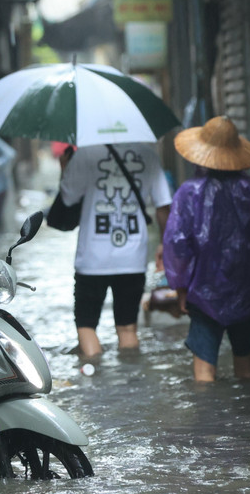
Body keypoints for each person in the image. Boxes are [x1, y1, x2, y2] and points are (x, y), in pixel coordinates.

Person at [162, 115, 250, 382]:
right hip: (247, 290)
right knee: (246, 367)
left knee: (204, 372)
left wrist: (181, 288)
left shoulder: (189, 193)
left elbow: (178, 244)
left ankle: (207, 423)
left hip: (202, 293)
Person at [58, 143, 173, 358]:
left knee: (87, 326)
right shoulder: (148, 154)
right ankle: (130, 381)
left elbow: (68, 197)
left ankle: (95, 381)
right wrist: (164, 244)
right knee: (128, 328)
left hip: (92, 258)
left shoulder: (85, 153)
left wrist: (65, 169)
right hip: (133, 256)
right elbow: (163, 205)